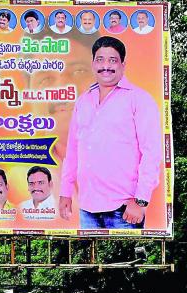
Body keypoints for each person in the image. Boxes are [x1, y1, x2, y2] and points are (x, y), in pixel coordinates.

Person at [59, 36, 162, 229]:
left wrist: (140, 201)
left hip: (124, 210)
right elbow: (73, 150)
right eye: (100, 60)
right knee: (89, 260)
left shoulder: (139, 99)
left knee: (125, 260)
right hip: (87, 209)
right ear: (93, 64)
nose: (105, 66)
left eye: (112, 60)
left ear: (123, 64)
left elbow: (152, 153)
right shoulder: (83, 101)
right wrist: (65, 191)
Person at [26, 29, 96, 162]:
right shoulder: (16, 179)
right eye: (45, 79)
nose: (62, 87)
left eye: (79, 71)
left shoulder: (142, 162)